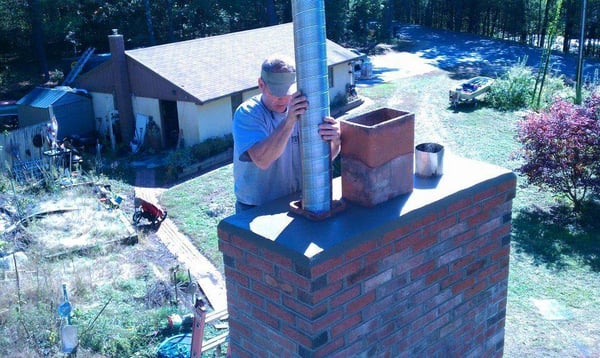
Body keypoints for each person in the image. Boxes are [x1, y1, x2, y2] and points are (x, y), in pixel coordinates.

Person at [232, 55, 341, 213]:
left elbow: (322, 159)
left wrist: (335, 140)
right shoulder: (248, 113)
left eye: (288, 92)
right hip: (256, 207)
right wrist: (289, 121)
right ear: (261, 84)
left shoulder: (304, 110)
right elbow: (262, 160)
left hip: (295, 202)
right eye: (276, 93)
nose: (283, 99)